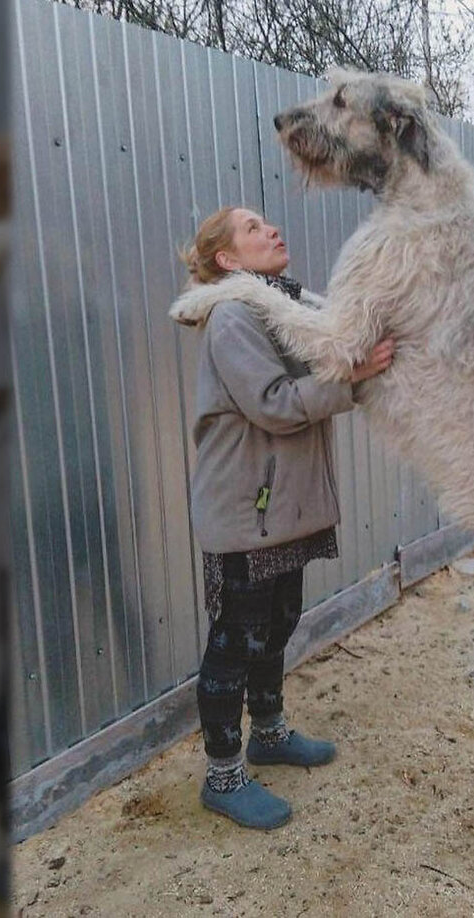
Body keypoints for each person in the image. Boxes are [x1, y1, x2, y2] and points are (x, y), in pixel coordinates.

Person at [173, 206, 394, 830]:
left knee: (278, 622)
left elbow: (331, 351)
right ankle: (222, 774)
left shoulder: (286, 310)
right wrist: (353, 376)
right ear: (227, 260)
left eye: (268, 223)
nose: (271, 231)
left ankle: (268, 732)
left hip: (281, 508)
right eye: (252, 228)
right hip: (245, 509)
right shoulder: (235, 316)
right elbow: (273, 404)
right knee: (236, 638)